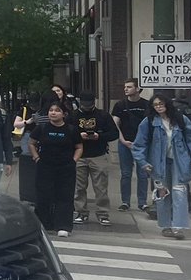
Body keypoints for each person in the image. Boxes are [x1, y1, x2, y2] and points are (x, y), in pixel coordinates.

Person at [131, 93, 191, 239]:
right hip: (158, 164)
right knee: (162, 193)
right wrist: (143, 162)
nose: (158, 106)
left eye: (161, 103)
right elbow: (139, 145)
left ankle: (178, 227)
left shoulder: (180, 119)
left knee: (179, 192)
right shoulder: (149, 122)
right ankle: (166, 225)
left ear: (167, 104)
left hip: (179, 162)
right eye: (155, 104)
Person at [29, 101, 82, 237]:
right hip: (45, 166)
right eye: (51, 110)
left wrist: (73, 160)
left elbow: (79, 147)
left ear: (64, 114)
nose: (53, 113)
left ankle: (63, 225)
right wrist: (36, 158)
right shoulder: (41, 128)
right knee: (43, 196)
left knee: (64, 196)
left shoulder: (71, 130)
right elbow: (31, 143)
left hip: (66, 168)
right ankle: (44, 224)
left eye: (57, 110)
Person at [68, 91, 118, 226]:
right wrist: (79, 136)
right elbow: (67, 133)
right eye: (84, 105)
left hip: (98, 154)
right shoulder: (73, 116)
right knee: (79, 187)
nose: (87, 108)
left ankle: (103, 213)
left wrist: (99, 136)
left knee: (101, 187)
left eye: (89, 105)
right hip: (79, 155)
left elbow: (114, 133)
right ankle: (81, 212)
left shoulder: (103, 115)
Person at [111, 78, 151, 213]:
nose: (125, 89)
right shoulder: (120, 105)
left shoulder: (147, 105)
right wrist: (122, 140)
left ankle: (142, 202)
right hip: (125, 143)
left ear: (138, 89)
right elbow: (115, 124)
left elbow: (150, 125)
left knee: (143, 173)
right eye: (125, 87)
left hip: (142, 144)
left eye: (129, 87)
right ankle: (125, 201)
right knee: (126, 173)